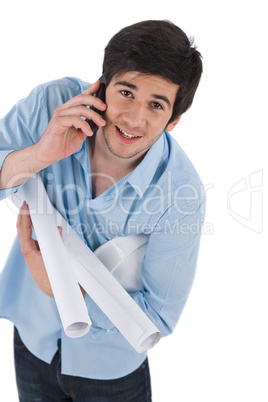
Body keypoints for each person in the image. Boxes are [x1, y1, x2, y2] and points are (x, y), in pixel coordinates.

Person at [0, 20, 205, 401]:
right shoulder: (53, 105)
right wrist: (39, 154)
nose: (133, 118)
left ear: (173, 121)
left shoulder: (181, 195)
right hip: (33, 339)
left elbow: (157, 318)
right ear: (101, 85)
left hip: (111, 370)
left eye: (156, 105)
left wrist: (61, 290)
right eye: (126, 92)